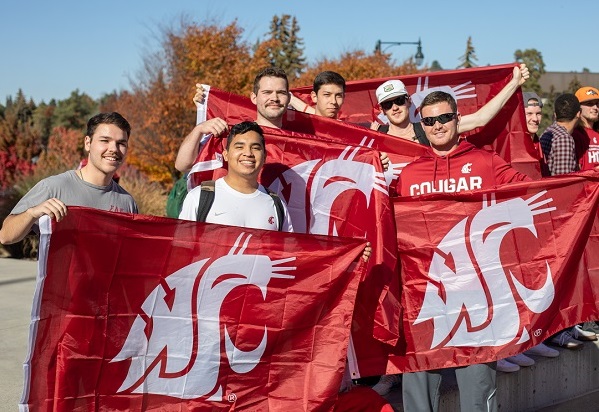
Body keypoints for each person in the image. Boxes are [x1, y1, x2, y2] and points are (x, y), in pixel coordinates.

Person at [396, 91, 531, 412]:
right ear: (422, 125)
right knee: (417, 386)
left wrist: (585, 183)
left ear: (458, 119)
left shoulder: (486, 162)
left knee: (478, 395)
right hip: (425, 297)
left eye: (444, 117)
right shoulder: (409, 173)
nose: (438, 125)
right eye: (429, 120)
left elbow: (532, 192)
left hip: (479, 299)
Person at [0, 112, 138, 245]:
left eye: (121, 143)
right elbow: (5, 236)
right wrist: (32, 213)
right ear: (87, 143)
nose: (113, 149)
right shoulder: (53, 187)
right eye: (105, 141)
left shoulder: (127, 202)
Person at [538, 94, 598, 347]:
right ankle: (558, 329)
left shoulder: (551, 133)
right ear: (577, 115)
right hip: (560, 217)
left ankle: (568, 326)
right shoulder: (563, 139)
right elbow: (562, 182)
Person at [371, 64, 530, 144]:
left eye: (399, 100)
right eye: (387, 104)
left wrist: (514, 84)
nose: (395, 108)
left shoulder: (430, 128)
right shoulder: (373, 136)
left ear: (408, 101)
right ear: (382, 110)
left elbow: (479, 119)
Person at [174, 67, 291, 174]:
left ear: (289, 98)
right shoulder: (230, 134)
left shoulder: (299, 142)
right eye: (267, 92)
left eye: (281, 93)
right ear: (254, 98)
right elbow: (183, 165)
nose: (274, 98)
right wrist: (198, 130)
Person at [573, 86, 599, 172]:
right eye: (589, 104)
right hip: (586, 185)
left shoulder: (597, 134)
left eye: (597, 104)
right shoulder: (575, 135)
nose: (595, 107)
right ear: (578, 107)